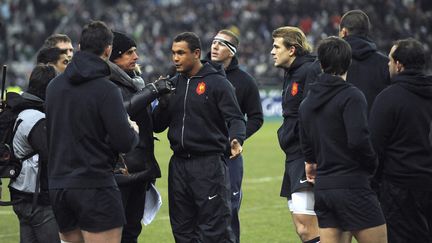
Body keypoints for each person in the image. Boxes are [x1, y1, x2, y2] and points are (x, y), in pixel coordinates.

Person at [45, 21, 139, 243]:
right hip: (95, 184)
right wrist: (132, 130)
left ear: (78, 47)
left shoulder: (53, 87)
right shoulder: (106, 89)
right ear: (108, 49)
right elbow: (124, 142)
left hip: (59, 185)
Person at [153, 32, 246, 243]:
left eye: (181, 53)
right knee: (183, 230)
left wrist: (236, 139)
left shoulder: (217, 83)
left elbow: (236, 118)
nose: (175, 58)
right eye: (173, 53)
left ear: (196, 53)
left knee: (215, 230)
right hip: (178, 166)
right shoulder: (173, 84)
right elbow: (158, 126)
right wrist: (164, 102)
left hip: (208, 165)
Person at [299, 36, 387, 243]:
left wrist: (311, 163)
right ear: (349, 63)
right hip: (353, 185)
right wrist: (372, 165)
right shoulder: (351, 96)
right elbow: (358, 140)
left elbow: (306, 143)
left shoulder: (307, 103)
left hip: (324, 189)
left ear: (320, 64)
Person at [108, 31, 170, 243]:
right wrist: (152, 91)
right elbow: (121, 111)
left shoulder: (135, 82)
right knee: (117, 231)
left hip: (140, 169)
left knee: (132, 229)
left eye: (135, 51)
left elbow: (153, 126)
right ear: (114, 56)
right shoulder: (107, 83)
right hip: (120, 170)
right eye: (129, 53)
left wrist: (163, 104)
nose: (136, 56)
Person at [369, 38, 432, 242]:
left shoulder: (388, 98)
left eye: (389, 60)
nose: (387, 64)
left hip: (399, 188)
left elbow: (374, 147)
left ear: (399, 64)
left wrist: (375, 185)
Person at [206, 29, 263, 243]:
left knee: (229, 211)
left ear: (231, 52)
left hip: (230, 157)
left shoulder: (245, 81)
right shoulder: (199, 72)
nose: (214, 46)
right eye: (213, 42)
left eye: (221, 44)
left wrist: (237, 138)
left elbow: (256, 117)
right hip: (202, 156)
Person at [270, 26, 320, 243]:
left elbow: (312, 114)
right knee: (303, 226)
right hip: (293, 154)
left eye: (276, 46)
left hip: (304, 153)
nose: (272, 51)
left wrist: (311, 155)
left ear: (292, 49)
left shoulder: (309, 71)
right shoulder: (291, 73)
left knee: (306, 225)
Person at [8, 64, 60, 243]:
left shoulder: (21, 111)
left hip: (20, 193)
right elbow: (53, 155)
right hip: (37, 198)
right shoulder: (36, 118)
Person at [339, 9, 390, 113]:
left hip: (339, 127)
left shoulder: (331, 61)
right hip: (375, 127)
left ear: (344, 32)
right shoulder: (386, 63)